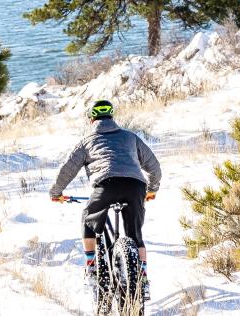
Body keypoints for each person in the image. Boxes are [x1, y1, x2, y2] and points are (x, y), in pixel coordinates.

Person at [49, 99, 161, 301]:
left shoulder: (87, 141)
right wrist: (152, 190)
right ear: (112, 117)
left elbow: (67, 169)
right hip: (135, 186)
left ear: (92, 119)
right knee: (136, 235)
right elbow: (154, 166)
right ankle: (142, 279)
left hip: (106, 185)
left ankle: (91, 267)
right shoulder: (130, 137)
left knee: (88, 219)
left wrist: (56, 193)